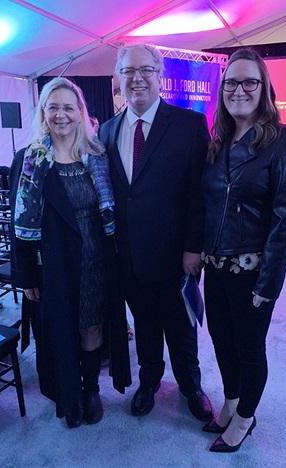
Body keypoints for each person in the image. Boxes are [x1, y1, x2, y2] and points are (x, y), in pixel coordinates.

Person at [201, 49, 286, 452]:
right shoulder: (219, 141)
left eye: (249, 81)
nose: (239, 89)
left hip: (252, 273)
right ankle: (230, 402)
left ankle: (245, 417)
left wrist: (270, 283)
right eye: (231, 82)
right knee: (220, 341)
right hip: (215, 267)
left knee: (248, 349)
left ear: (264, 89)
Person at [99, 43, 213, 421]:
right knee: (144, 326)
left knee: (181, 329)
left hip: (176, 256)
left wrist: (194, 249)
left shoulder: (189, 124)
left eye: (146, 70)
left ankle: (191, 386)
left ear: (159, 75)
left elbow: (199, 194)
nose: (137, 78)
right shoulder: (108, 130)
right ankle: (149, 381)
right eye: (129, 71)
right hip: (129, 256)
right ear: (118, 78)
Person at [10, 77, 131, 429]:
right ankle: (70, 392)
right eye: (53, 107)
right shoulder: (31, 160)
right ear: (44, 113)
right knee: (61, 330)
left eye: (68, 107)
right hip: (55, 264)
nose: (61, 114)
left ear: (81, 112)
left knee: (92, 326)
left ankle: (91, 388)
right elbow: (19, 223)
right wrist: (28, 276)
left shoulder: (97, 156)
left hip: (95, 260)